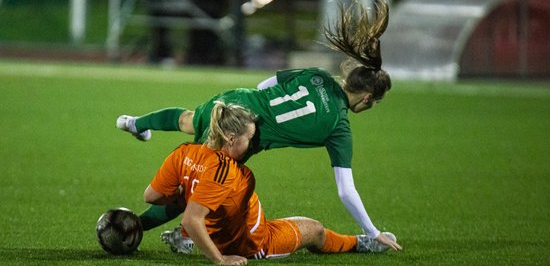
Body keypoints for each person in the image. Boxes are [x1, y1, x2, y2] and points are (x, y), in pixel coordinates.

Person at [117, 0, 395, 251]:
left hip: (235, 99)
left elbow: (266, 84)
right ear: (368, 97)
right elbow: (346, 190)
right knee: (201, 185)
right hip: (244, 131)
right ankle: (138, 231)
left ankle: (137, 123)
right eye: (374, 103)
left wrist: (257, 106)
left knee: (188, 120)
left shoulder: (317, 75)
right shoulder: (339, 128)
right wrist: (372, 231)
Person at [143, 101, 401, 265]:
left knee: (200, 211)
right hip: (253, 243)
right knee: (315, 230)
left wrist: (188, 193)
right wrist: (221, 260)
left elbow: (152, 196)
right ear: (231, 138)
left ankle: (188, 239)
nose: (252, 145)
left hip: (219, 228)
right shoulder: (224, 169)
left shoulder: (184, 151)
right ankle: (360, 243)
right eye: (249, 138)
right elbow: (191, 217)